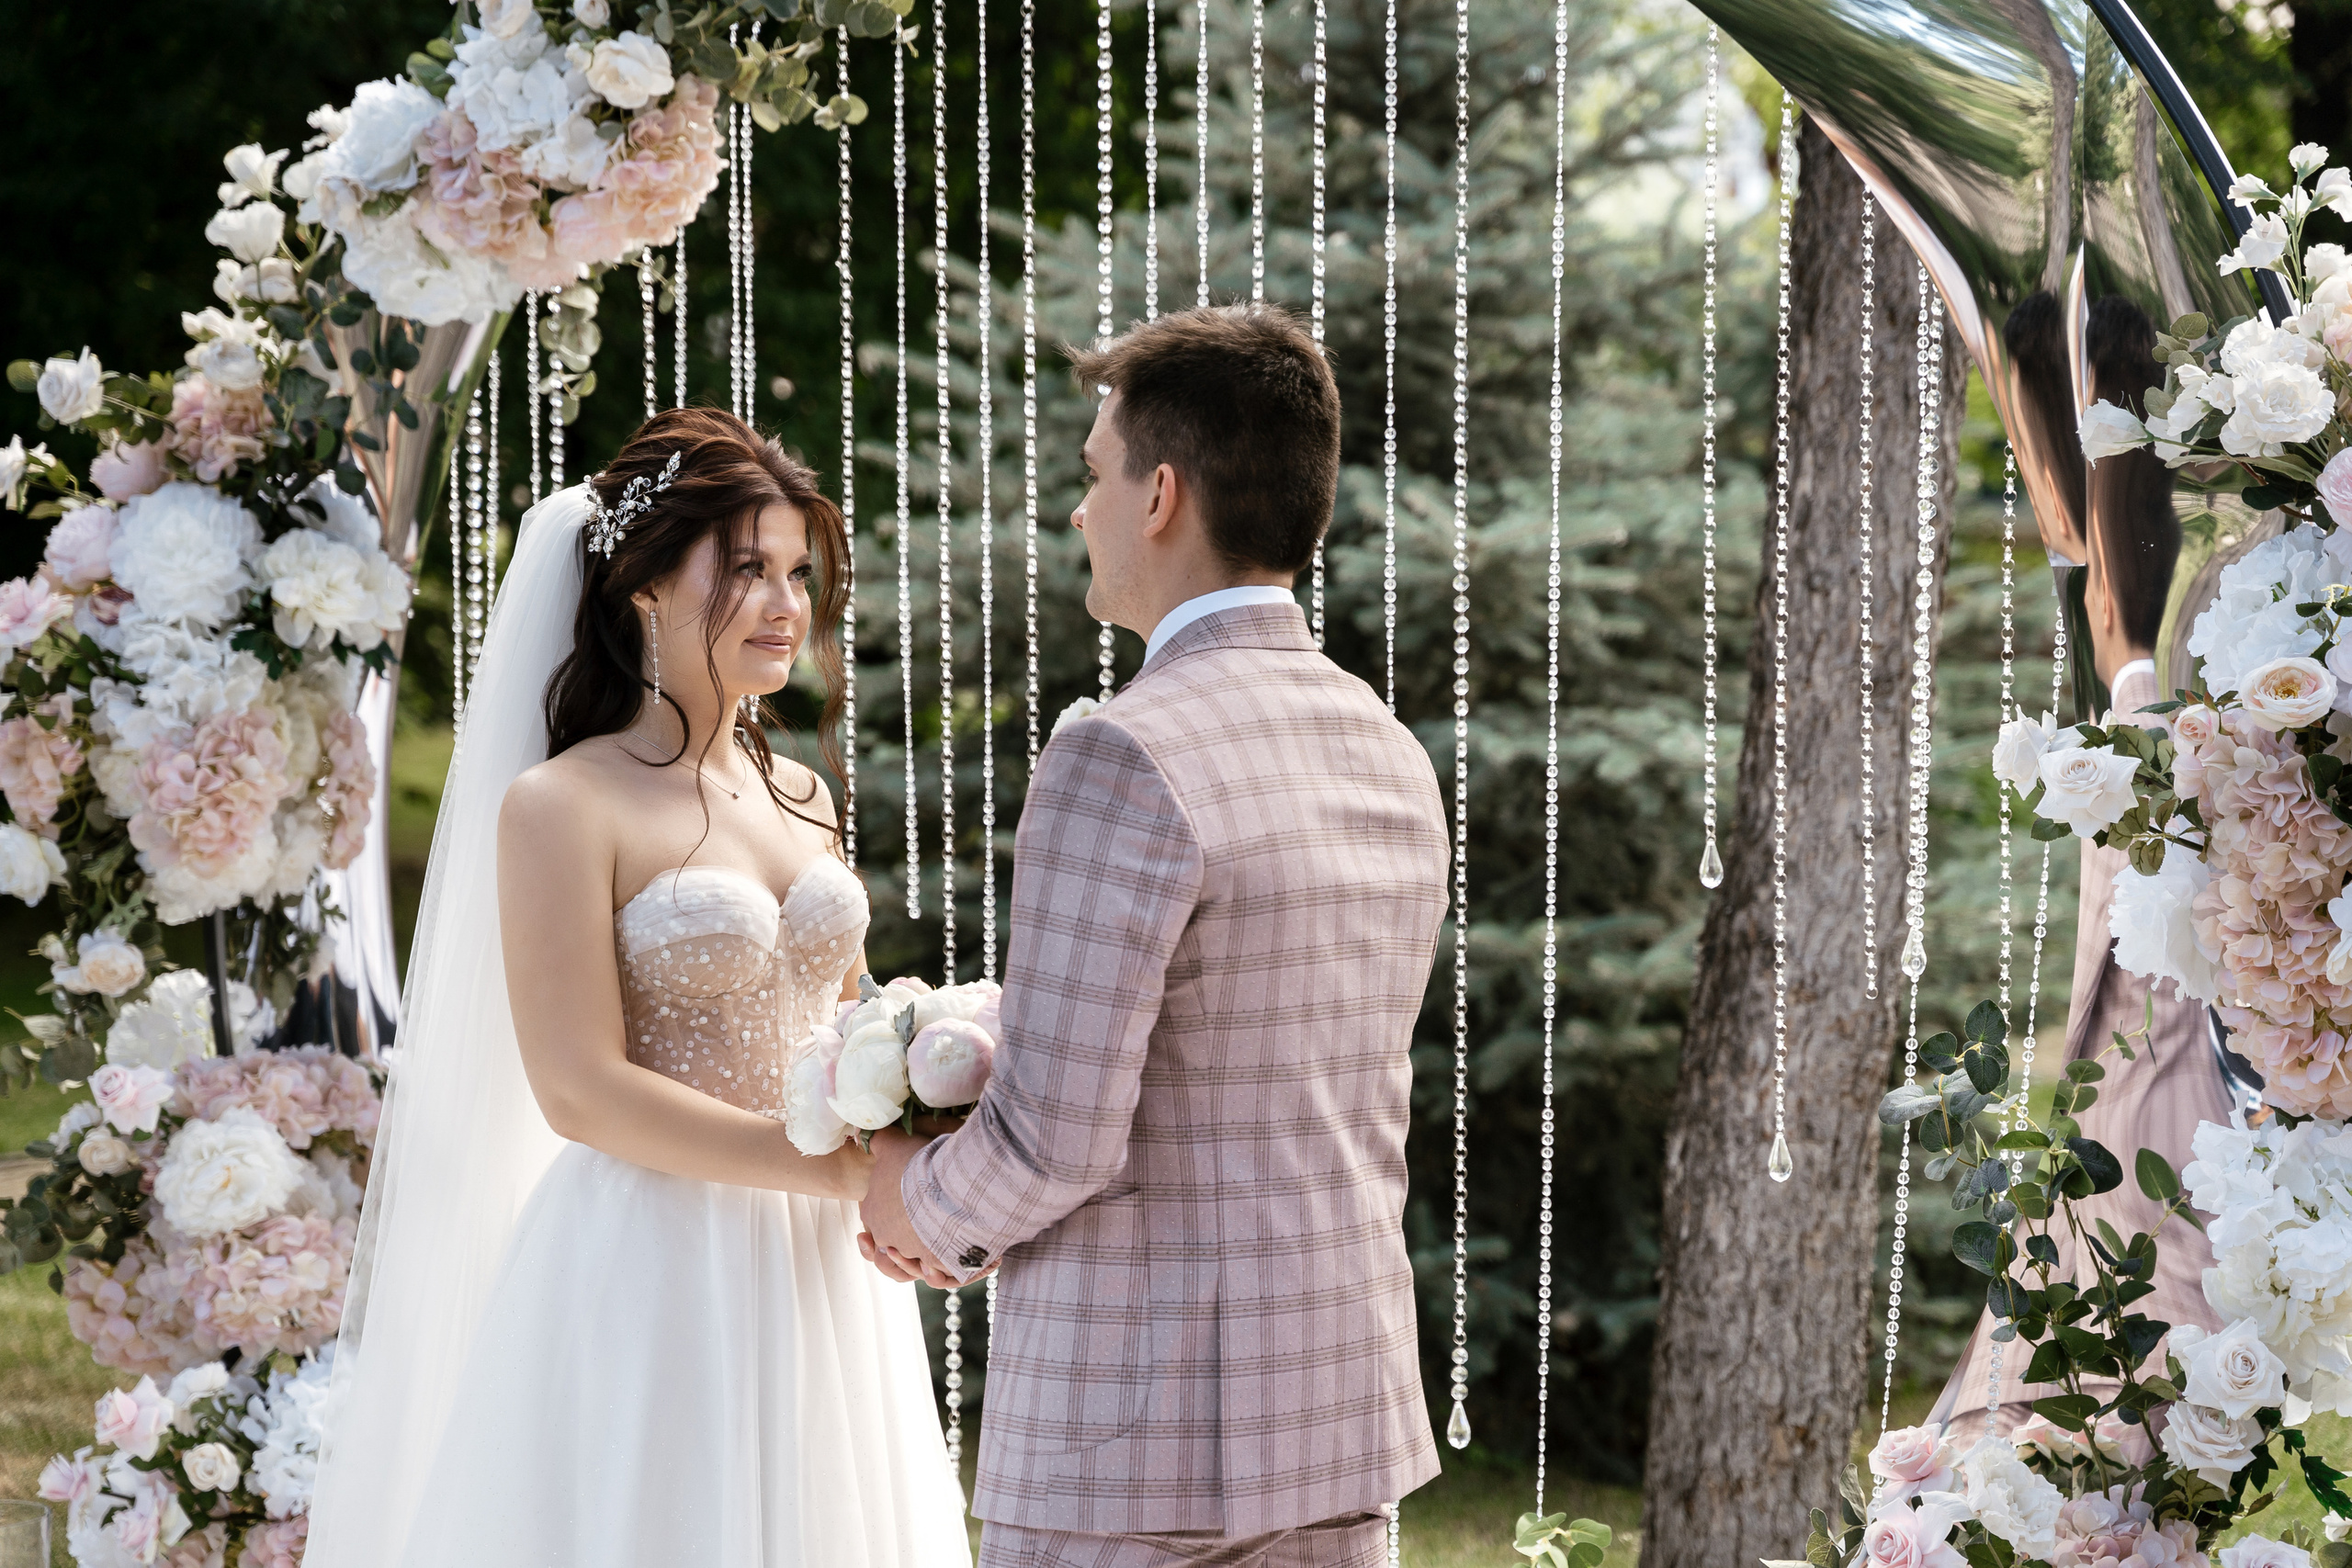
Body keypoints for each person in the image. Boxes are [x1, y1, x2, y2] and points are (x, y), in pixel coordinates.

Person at [305, 408, 969, 1567]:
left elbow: (849, 1024)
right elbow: (580, 1091)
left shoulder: (804, 797)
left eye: (796, 573)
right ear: (646, 589)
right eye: (747, 569)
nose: (784, 605)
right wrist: (834, 1166)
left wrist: (920, 1097)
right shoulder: (565, 806)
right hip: (655, 1261)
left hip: (823, 1263)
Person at [855, 303, 1453, 1568]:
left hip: (1129, 1444)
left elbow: (1054, 1133)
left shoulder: (1123, 749)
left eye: (1093, 474)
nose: (1081, 510)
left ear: (1161, 492)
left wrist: (909, 1199)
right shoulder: (1388, 752)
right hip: (1337, 1413)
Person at [1924, 298, 2228, 1446]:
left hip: (2155, 1150)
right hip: (2123, 1144)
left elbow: (2098, 578)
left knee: (2078, 1433)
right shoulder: (2153, 715)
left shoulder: (2152, 721)